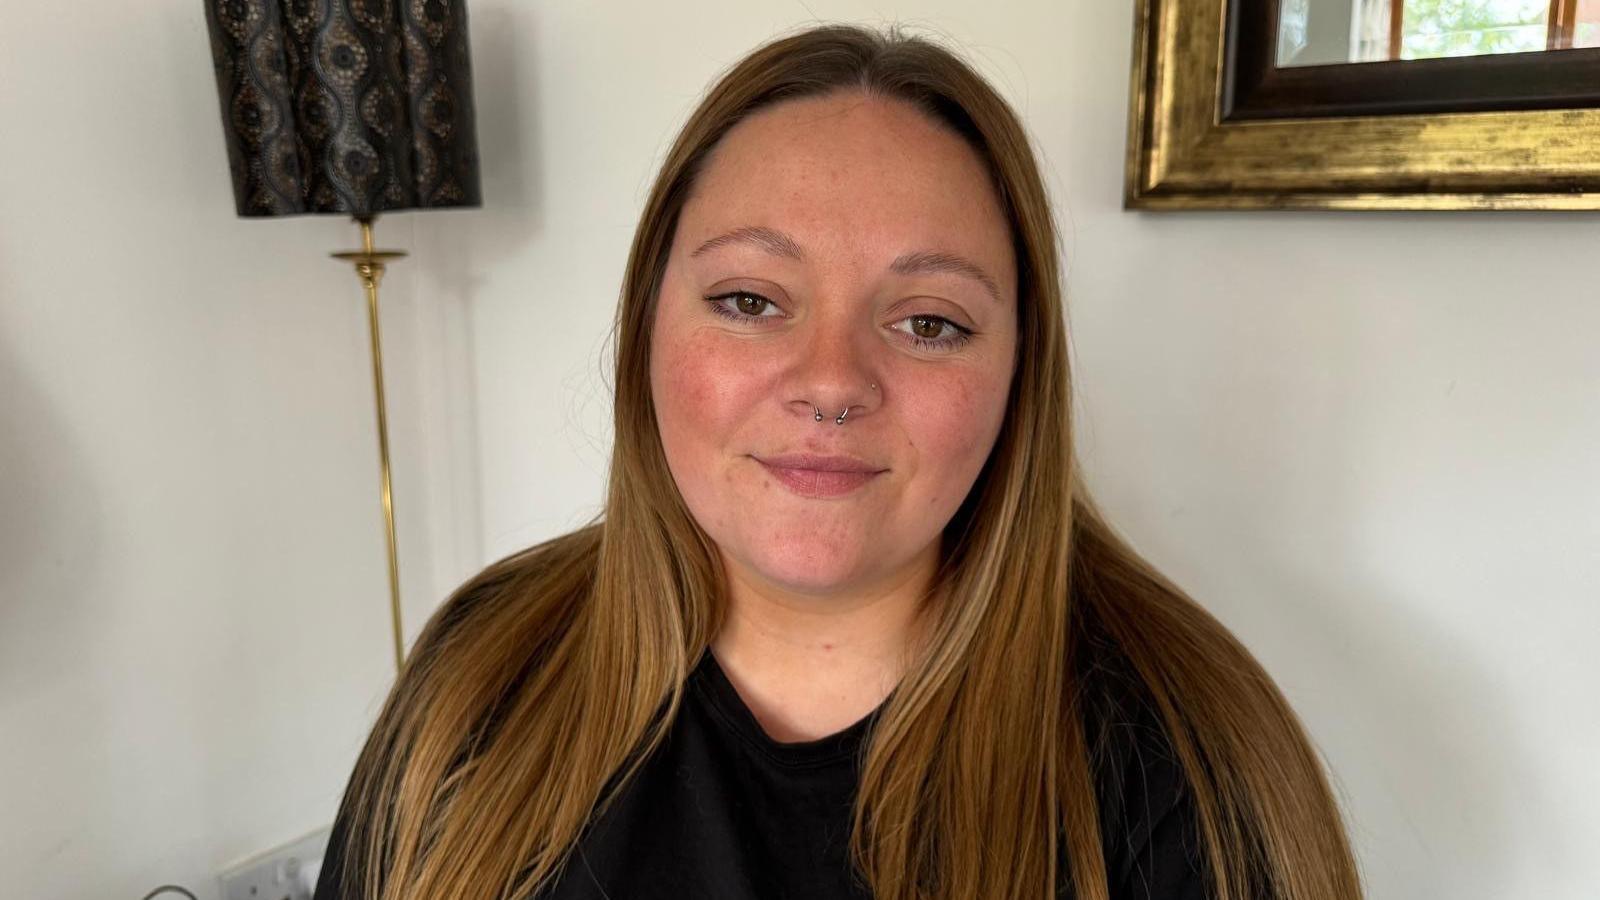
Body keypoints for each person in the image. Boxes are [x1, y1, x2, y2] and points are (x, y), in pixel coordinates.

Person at [312, 23, 1361, 900]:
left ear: (1018, 378)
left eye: (928, 322)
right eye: (749, 301)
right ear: (644, 331)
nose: (829, 380)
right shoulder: (482, 670)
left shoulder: (1187, 757)